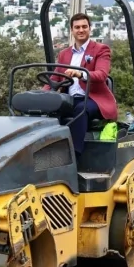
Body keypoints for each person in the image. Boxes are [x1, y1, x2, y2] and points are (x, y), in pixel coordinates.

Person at [43, 12, 118, 160]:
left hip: (93, 98)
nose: (81, 30)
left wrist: (80, 74)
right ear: (72, 30)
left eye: (84, 26)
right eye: (77, 27)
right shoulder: (64, 54)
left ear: (90, 29)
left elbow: (102, 74)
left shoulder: (100, 50)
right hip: (70, 98)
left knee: (80, 110)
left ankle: (73, 156)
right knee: (49, 111)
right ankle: (47, 154)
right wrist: (42, 95)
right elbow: (55, 77)